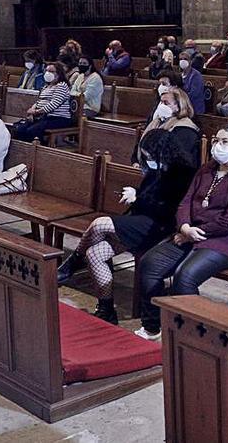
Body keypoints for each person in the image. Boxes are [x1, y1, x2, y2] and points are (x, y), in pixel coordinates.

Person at [134, 123, 228, 340]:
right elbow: (185, 202)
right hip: (193, 232)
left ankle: (197, 337)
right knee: (149, 263)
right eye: (216, 140)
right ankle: (153, 327)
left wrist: (192, 232)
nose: (217, 145)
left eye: (224, 142)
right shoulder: (207, 169)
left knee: (185, 276)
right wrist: (185, 226)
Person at [55, 128, 199, 323]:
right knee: (95, 254)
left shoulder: (183, 173)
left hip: (160, 227)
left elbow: (167, 209)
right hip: (141, 220)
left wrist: (137, 198)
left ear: (161, 151)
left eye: (148, 154)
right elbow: (148, 194)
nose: (146, 159)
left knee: (99, 224)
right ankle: (106, 309)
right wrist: (136, 193)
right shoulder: (157, 168)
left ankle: (73, 261)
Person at [139, 85, 201, 166]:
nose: (161, 106)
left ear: (179, 106)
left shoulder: (185, 129)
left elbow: (178, 158)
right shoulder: (157, 122)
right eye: (160, 102)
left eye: (166, 103)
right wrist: (136, 162)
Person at [11, 62, 74, 141]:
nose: (48, 73)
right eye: (47, 71)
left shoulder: (62, 86)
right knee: (19, 129)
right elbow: (39, 101)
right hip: (43, 116)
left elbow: (54, 104)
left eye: (51, 71)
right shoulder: (46, 86)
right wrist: (32, 111)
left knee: (32, 131)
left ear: (59, 73)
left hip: (58, 118)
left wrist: (36, 112)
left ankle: (36, 150)